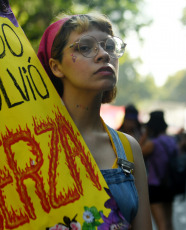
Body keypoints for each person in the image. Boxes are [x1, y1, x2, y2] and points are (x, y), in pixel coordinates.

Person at [37, 13, 152, 229]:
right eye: (85, 47)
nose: (104, 55)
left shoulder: (129, 148)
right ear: (56, 67)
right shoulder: (31, 143)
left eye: (109, 46)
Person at [140, 110, 177, 230]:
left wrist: (144, 135)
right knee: (169, 222)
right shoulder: (172, 141)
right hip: (170, 184)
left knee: (161, 224)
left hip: (155, 186)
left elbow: (135, 154)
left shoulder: (153, 144)